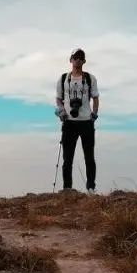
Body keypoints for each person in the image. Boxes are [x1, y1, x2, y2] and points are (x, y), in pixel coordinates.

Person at [55, 48, 99, 193]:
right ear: (71, 59)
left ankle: (91, 188)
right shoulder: (63, 79)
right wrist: (61, 111)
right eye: (75, 57)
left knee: (89, 157)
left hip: (86, 121)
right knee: (67, 159)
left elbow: (95, 97)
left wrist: (94, 114)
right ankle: (67, 188)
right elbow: (58, 98)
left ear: (84, 61)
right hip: (69, 122)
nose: (78, 60)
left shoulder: (90, 78)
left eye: (81, 57)